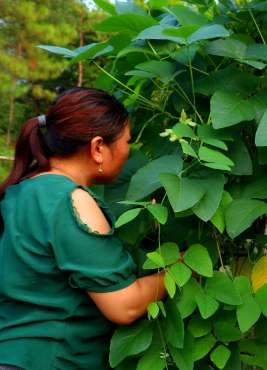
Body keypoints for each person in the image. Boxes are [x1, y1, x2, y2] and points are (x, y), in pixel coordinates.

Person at [0, 88, 166, 370]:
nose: (128, 151)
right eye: (127, 141)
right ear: (98, 147)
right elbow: (124, 305)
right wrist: (184, 267)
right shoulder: (71, 201)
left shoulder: (20, 191)